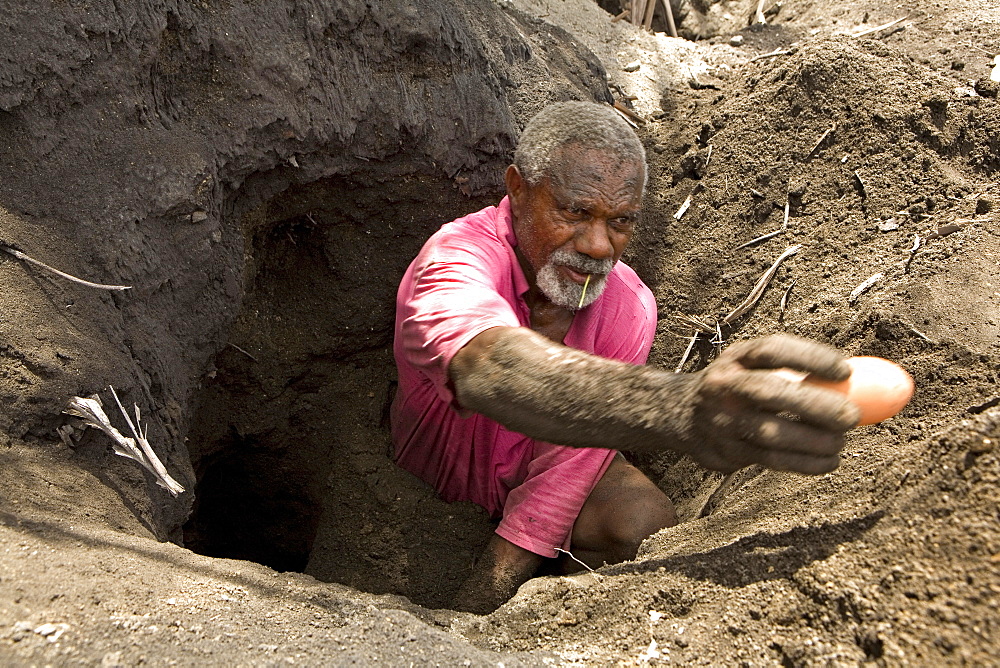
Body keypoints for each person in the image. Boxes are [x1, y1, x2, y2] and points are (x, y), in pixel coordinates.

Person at [391, 101, 859, 613]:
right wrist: (676, 408)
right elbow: (491, 366)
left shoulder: (628, 309)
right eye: (575, 212)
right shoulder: (456, 258)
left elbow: (566, 472)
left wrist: (482, 609)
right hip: (408, 496)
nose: (598, 246)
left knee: (639, 520)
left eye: (620, 222)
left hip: (523, 487)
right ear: (518, 191)